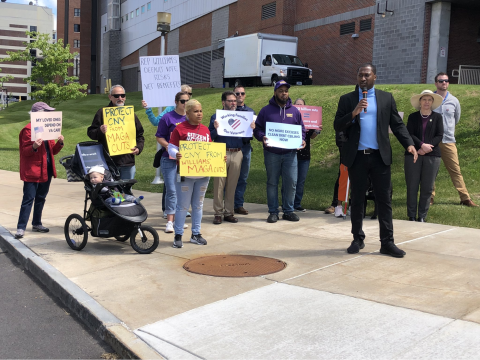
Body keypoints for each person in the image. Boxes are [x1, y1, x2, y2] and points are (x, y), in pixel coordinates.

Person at [334, 63, 417, 258]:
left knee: (384, 200)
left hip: (379, 157)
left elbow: (397, 125)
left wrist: (409, 144)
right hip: (358, 158)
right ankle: (357, 238)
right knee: (357, 199)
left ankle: (387, 243)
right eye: (360, 75)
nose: (363, 78)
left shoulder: (385, 98)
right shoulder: (347, 99)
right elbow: (337, 125)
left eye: (367, 75)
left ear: (375, 77)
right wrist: (353, 113)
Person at [253, 80, 306, 223]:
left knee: (291, 182)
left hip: (290, 153)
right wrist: (261, 136)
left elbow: (301, 129)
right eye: (281, 90)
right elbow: (257, 129)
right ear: (275, 92)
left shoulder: (294, 111)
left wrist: (302, 139)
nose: (284, 93)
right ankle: (273, 212)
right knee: (272, 182)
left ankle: (288, 211)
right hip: (272, 153)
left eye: (286, 91)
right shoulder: (266, 110)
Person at [15, 102, 65, 239]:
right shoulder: (28, 130)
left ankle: (37, 223)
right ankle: (21, 228)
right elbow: (25, 152)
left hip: (46, 169)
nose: (49, 114)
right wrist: (34, 147)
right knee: (28, 199)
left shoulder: (48, 129)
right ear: (38, 114)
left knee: (41, 198)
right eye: (46, 112)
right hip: (33, 170)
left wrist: (60, 143)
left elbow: (53, 151)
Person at [168, 99, 211, 248]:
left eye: (200, 111)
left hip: (203, 175)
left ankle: (196, 234)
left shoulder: (205, 130)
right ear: (187, 113)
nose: (199, 114)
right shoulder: (179, 129)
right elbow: (171, 147)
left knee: (198, 205)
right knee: (182, 206)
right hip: (185, 174)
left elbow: (211, 151)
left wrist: (220, 158)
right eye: (196, 111)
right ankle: (178, 235)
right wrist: (176, 153)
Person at [431, 72, 478, 207]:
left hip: (448, 140)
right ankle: (430, 197)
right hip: (432, 141)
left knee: (455, 170)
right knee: (431, 170)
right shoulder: (431, 99)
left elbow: (456, 119)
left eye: (446, 81)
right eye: (441, 81)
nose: (444, 83)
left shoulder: (454, 101)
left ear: (448, 83)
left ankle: (465, 198)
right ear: (436, 83)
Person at [87, 85, 145, 180]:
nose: (120, 98)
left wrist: (139, 148)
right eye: (116, 96)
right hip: (108, 162)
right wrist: (100, 131)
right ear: (110, 97)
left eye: (122, 95)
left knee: (126, 192)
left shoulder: (130, 114)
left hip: (127, 162)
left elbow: (140, 135)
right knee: (111, 191)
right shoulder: (102, 113)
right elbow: (91, 133)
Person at [209, 91, 249, 224]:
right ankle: (218, 213)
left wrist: (251, 129)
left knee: (232, 184)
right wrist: (215, 129)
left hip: (237, 152)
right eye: (230, 101)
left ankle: (229, 212)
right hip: (221, 152)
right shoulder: (216, 117)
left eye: (235, 100)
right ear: (223, 102)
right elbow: (210, 137)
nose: (234, 103)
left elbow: (247, 138)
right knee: (219, 184)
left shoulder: (242, 117)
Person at [405, 90, 444, 222]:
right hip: (413, 155)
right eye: (424, 99)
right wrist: (421, 145)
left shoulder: (438, 117)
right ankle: (411, 215)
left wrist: (427, 148)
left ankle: (422, 215)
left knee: (427, 187)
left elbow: (439, 135)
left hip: (432, 156)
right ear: (420, 102)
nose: (427, 102)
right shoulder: (412, 117)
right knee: (412, 186)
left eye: (429, 100)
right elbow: (409, 134)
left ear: (432, 102)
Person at [156, 92, 189, 233]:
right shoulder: (167, 117)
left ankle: (179, 220)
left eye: (188, 100)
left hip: (187, 159)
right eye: (182, 101)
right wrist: (169, 146)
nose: (185, 103)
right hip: (169, 159)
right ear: (176, 102)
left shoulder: (191, 118)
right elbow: (159, 137)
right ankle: (170, 222)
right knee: (171, 190)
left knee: (183, 191)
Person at [288, 98, 321, 212]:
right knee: (290, 180)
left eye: (301, 105)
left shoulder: (309, 120)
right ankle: (288, 204)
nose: (299, 107)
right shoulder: (290, 118)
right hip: (291, 154)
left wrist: (317, 130)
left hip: (305, 155)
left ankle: (297, 204)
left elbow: (312, 136)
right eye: (297, 105)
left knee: (300, 181)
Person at [233, 86, 256, 215]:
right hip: (231, 147)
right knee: (229, 178)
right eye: (237, 93)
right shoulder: (228, 111)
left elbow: (255, 132)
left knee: (243, 178)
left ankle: (239, 204)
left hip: (245, 147)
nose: (240, 95)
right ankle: (229, 204)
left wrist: (254, 127)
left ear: (245, 95)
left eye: (242, 93)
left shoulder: (250, 112)